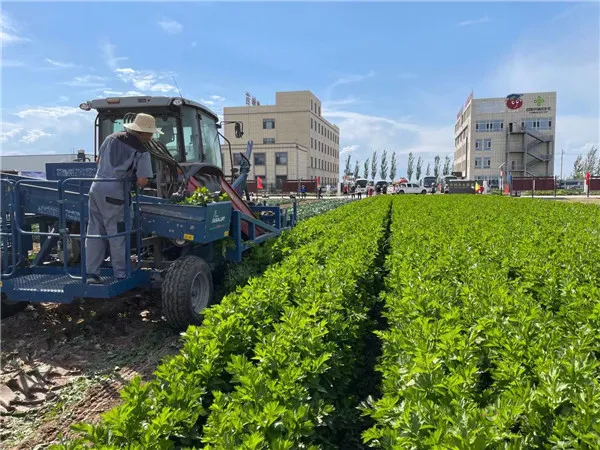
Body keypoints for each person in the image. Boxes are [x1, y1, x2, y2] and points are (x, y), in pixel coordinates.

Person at [85, 113, 157, 284]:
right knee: (117, 234)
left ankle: (91, 274)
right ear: (145, 133)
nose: (152, 136)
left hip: (95, 188)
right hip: (115, 194)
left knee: (94, 232)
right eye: (151, 132)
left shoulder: (110, 138)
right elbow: (142, 181)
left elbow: (98, 162)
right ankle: (121, 275)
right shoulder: (142, 151)